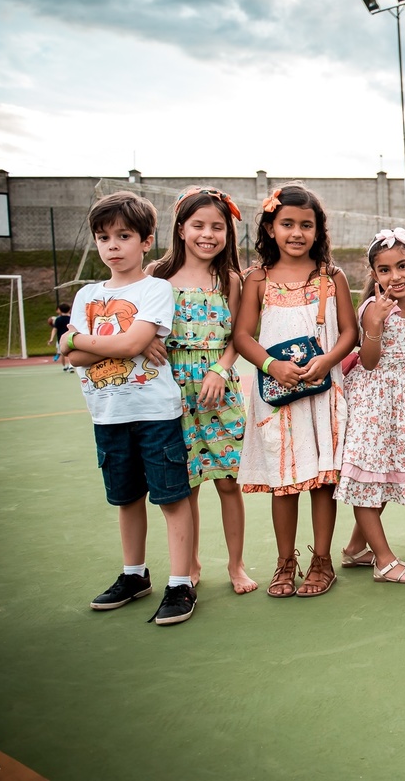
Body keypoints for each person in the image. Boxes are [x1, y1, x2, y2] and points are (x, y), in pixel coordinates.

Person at [60, 190, 197, 626]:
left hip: (155, 413)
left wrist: (75, 339)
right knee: (126, 498)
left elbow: (132, 343)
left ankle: (181, 583)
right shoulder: (85, 295)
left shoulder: (155, 289)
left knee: (171, 497)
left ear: (146, 240)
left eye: (123, 236)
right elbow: (77, 358)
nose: (112, 246)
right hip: (107, 415)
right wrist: (82, 346)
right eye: (103, 237)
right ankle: (134, 575)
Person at [235, 183, 357, 598]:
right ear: (270, 227)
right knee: (283, 481)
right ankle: (285, 561)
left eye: (307, 224)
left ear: (318, 231)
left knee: (323, 480)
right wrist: (272, 365)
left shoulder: (331, 276)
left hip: (322, 392)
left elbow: (349, 332)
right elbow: (242, 336)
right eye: (287, 223)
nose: (297, 232)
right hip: (277, 393)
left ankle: (322, 561)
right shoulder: (256, 279)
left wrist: (327, 360)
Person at [147, 186, 255, 594]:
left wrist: (219, 370)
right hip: (169, 389)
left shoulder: (229, 278)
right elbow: (142, 324)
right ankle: (189, 564)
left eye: (217, 226)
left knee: (228, 482)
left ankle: (237, 565)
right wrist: (144, 341)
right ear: (180, 228)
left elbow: (238, 337)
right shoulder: (157, 275)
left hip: (218, 389)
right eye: (198, 225)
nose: (207, 234)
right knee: (185, 484)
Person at [335, 227, 405, 584]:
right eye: (385, 270)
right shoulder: (373, 309)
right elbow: (371, 361)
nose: (396, 276)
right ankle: (384, 560)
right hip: (373, 396)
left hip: (402, 396)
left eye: (403, 266)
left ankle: (355, 549)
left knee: (389, 473)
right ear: (374, 275)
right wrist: (373, 324)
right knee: (368, 475)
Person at [48, 303, 73, 371]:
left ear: (60, 311)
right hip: (70, 337)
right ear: (70, 310)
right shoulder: (71, 318)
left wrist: (51, 339)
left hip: (61, 339)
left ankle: (64, 366)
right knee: (71, 352)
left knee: (62, 353)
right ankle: (71, 365)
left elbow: (55, 329)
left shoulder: (58, 319)